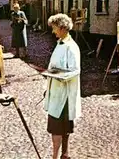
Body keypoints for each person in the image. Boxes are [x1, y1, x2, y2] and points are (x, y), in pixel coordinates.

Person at [43, 14, 81, 159]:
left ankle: (57, 155)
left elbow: (75, 70)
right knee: (60, 126)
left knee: (59, 126)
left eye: (54, 28)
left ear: (63, 28)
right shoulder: (60, 43)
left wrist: (58, 76)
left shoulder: (72, 47)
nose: (53, 32)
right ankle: (63, 154)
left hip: (64, 93)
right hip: (56, 90)